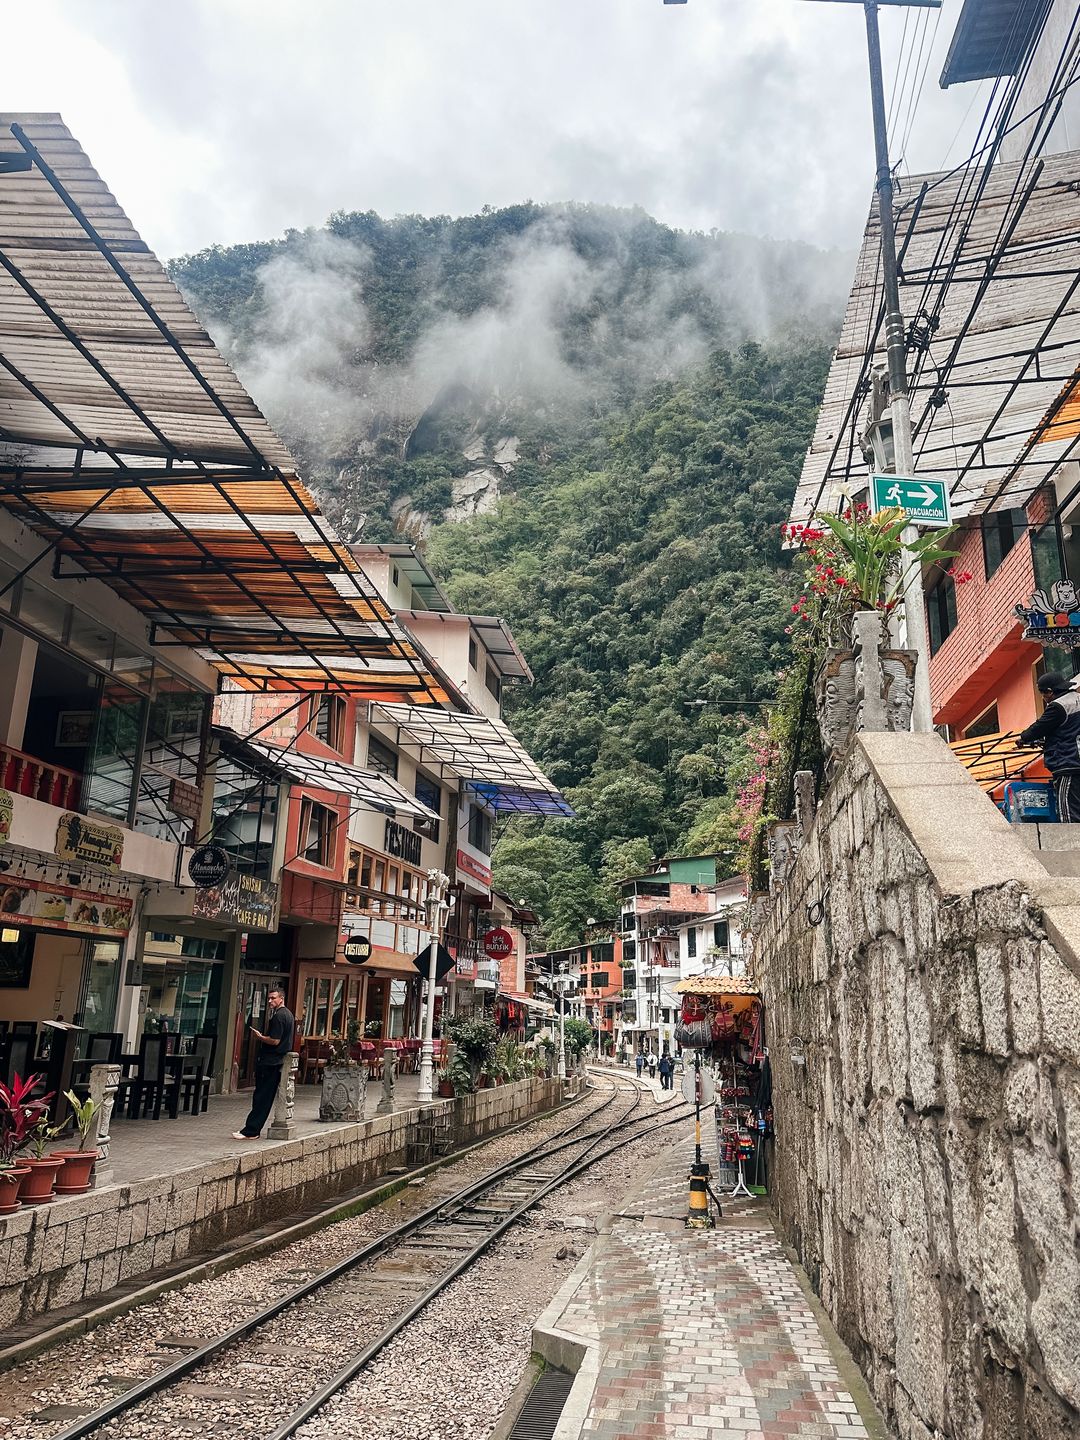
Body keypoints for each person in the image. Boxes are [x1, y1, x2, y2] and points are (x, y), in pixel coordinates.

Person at [233, 987, 295, 1141]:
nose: (270, 1001)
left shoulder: (279, 1017)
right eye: (269, 998)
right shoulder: (288, 1015)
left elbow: (275, 1040)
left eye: (273, 998)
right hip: (276, 1060)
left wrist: (260, 1037)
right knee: (263, 1096)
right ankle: (252, 1129)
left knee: (262, 1097)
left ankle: (252, 1130)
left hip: (271, 1061)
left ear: (281, 998)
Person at [1018, 672, 1080, 822]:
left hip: (1069, 763)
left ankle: (1073, 844)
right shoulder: (1077, 699)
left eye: (1043, 694)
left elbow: (1039, 727)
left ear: (1049, 692)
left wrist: (1022, 738)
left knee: (1069, 811)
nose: (1044, 699)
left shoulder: (1058, 706)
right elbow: (1067, 729)